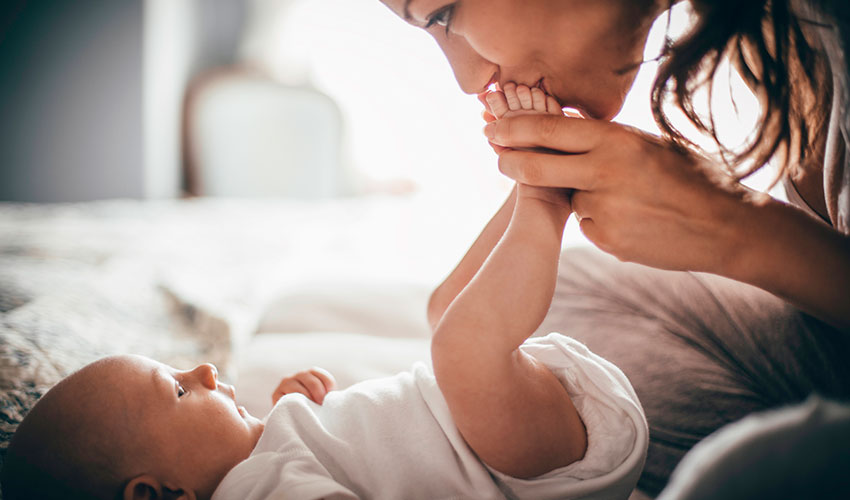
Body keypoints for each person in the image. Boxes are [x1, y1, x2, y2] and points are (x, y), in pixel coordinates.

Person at [1, 88, 648, 500]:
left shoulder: (263, 459)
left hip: (495, 426)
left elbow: (357, 457)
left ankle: (526, 185)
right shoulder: (256, 492)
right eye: (176, 391)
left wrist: (302, 410)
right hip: (510, 460)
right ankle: (541, 192)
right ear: (154, 495)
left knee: (443, 311)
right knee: (461, 345)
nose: (202, 369)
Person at [380, 0, 850, 496]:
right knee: (541, 300)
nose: (469, 80)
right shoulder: (789, 28)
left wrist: (738, 228)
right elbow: (450, 315)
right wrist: (542, 194)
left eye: (445, 14)